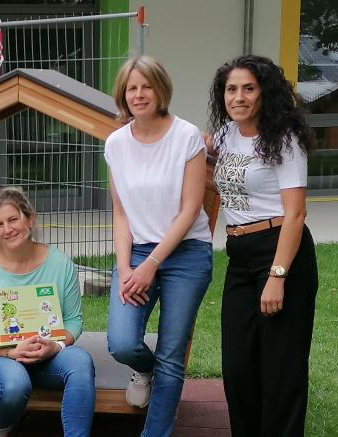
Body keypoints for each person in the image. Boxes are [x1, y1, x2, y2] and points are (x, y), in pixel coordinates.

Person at [102, 56, 214, 437]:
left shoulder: (186, 136)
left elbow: (190, 210)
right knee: (120, 342)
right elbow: (120, 213)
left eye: (146, 86)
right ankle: (142, 368)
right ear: (123, 94)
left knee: (171, 355)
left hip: (187, 254)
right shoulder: (115, 143)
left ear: (160, 89)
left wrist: (151, 263)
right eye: (131, 88)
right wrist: (125, 266)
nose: (138, 94)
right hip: (134, 254)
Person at [207, 54, 318, 437]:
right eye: (231, 89)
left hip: (281, 251)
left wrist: (278, 275)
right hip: (239, 254)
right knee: (238, 364)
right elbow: (211, 180)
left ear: (264, 93)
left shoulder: (284, 139)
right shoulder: (224, 136)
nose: (238, 97)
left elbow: (296, 214)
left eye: (248, 89)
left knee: (280, 367)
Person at [0, 187, 95, 437]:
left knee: (80, 362)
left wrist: (55, 347)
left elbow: (74, 321)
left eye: (13, 219)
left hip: (49, 354)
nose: (7, 229)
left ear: (29, 219)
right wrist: (12, 352)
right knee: (15, 383)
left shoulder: (60, 263)